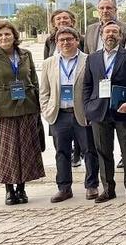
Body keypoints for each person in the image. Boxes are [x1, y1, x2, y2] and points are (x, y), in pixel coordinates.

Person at [0, 20, 45, 205]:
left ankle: (21, 189)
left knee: (24, 151)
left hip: (27, 109)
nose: (4, 38)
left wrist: (39, 105)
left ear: (14, 36)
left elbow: (33, 80)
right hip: (2, 113)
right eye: (0, 35)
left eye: (7, 34)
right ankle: (9, 190)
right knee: (6, 153)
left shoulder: (26, 54)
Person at [82, 20, 126, 202]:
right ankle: (108, 188)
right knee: (103, 152)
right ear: (101, 35)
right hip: (99, 111)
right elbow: (87, 84)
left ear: (120, 36)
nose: (110, 35)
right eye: (107, 32)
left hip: (123, 110)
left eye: (114, 32)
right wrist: (87, 106)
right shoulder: (92, 58)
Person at [40, 27, 98, 202]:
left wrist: (91, 110)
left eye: (69, 39)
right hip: (59, 115)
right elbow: (44, 91)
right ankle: (64, 188)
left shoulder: (89, 60)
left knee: (89, 150)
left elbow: (94, 88)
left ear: (77, 40)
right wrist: (47, 110)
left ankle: (91, 185)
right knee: (62, 152)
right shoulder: (49, 63)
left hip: (82, 113)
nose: (65, 43)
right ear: (57, 43)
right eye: (61, 40)